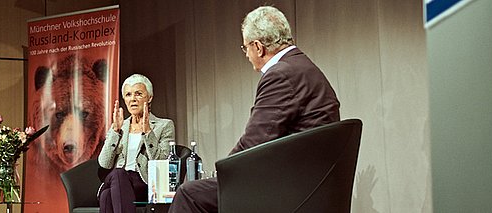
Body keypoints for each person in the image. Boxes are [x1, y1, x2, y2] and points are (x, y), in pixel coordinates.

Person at [169, 6, 340, 213]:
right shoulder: (305, 67)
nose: (247, 55)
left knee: (189, 193)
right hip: (312, 184)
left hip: (288, 188)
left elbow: (256, 141)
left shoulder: (281, 75)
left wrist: (222, 170)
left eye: (245, 48)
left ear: (258, 47)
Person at [98, 74, 176, 213]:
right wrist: (115, 131)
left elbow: (162, 162)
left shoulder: (163, 125)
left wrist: (147, 133)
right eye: (128, 95)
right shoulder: (119, 126)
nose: (133, 99)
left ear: (149, 97)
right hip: (117, 178)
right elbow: (104, 163)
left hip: (143, 183)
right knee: (118, 174)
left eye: (138, 94)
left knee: (106, 196)